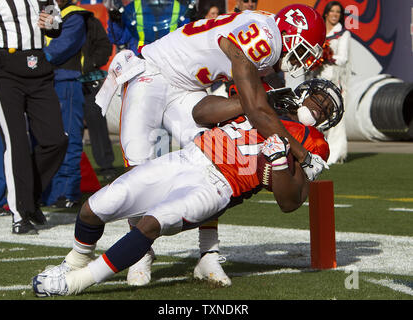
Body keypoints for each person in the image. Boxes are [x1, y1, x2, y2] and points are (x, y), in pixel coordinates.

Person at [31, 77, 343, 297]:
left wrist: (278, 162)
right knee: (95, 207)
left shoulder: (311, 143)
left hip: (219, 184)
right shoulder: (264, 102)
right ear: (303, 91)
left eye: (328, 109)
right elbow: (201, 113)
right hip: (188, 157)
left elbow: (289, 203)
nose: (320, 108)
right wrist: (251, 103)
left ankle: (76, 283)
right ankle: (70, 264)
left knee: (153, 222)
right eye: (319, 99)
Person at [94, 4, 328, 286]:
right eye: (303, 48)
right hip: (154, 73)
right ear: (291, 33)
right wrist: (302, 154)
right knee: (136, 160)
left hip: (187, 88)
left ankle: (208, 253)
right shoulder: (264, 39)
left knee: (216, 158)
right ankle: (141, 253)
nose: (300, 59)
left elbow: (261, 103)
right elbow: (258, 111)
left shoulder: (269, 34)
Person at [0, 0, 68, 234]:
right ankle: (20, 215)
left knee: (57, 139)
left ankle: (30, 197)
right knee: (16, 143)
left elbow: (55, 27)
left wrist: (51, 23)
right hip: (4, 71)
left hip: (39, 69)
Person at [41, 0, 92, 208]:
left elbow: (56, 51)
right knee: (44, 140)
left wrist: (26, 60)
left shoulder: (74, 16)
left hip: (65, 81)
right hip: (42, 82)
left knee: (68, 137)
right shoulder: (42, 11)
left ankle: (67, 193)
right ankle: (48, 191)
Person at [309, 1, 351, 165]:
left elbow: (343, 58)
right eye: (332, 11)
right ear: (326, 13)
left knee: (336, 117)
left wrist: (327, 56)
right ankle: (317, 148)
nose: (335, 14)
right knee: (315, 116)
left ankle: (335, 153)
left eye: (338, 12)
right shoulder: (319, 32)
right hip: (316, 80)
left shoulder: (343, 34)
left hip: (335, 80)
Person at [78, 11, 116, 181]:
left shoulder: (89, 20)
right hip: (60, 81)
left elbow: (105, 46)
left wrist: (90, 64)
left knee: (96, 122)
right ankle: (69, 170)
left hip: (88, 80)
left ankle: (106, 165)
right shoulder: (50, 19)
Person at [106, 0, 194, 54]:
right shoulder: (133, 8)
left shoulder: (179, 9)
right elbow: (118, 39)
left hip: (169, 59)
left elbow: (186, 39)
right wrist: (116, 22)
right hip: (140, 59)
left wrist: (195, 17)